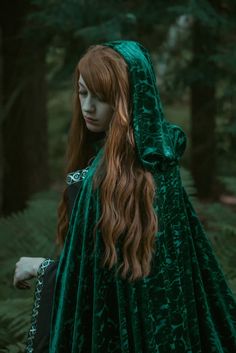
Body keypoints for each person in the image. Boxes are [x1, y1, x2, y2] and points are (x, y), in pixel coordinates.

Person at [13, 40, 236, 353]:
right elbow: (112, 272)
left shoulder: (110, 180)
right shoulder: (160, 163)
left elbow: (97, 284)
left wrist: (41, 268)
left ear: (129, 99)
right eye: (82, 92)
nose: (88, 107)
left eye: (101, 98)